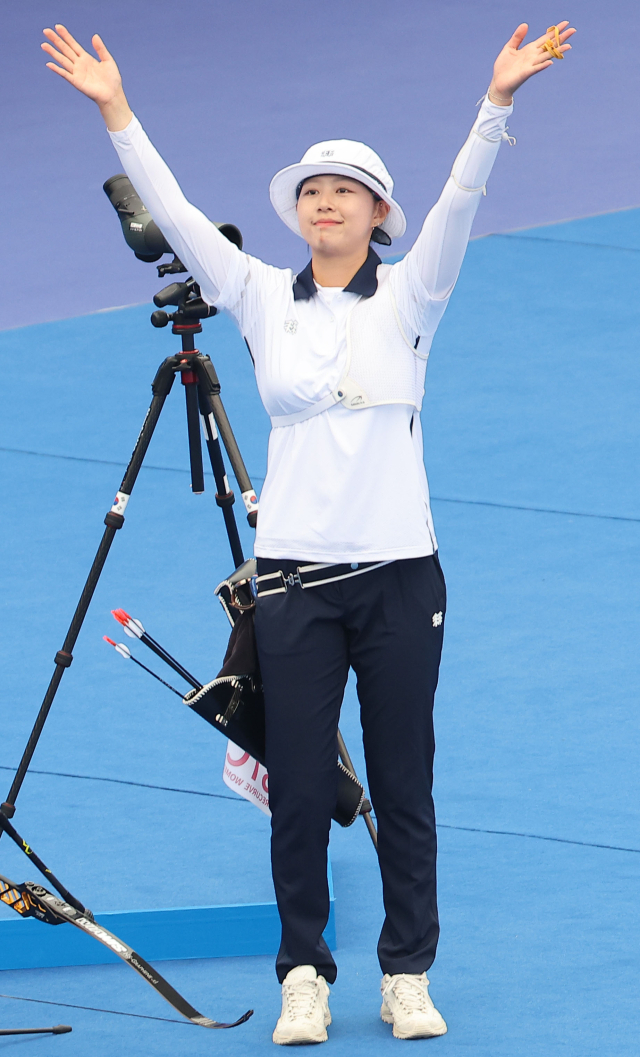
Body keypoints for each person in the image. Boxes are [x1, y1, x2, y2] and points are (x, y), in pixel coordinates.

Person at [42, 18, 575, 1044]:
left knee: (403, 783)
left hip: (400, 581)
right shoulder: (255, 299)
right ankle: (303, 973)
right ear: (296, 216)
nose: (323, 201)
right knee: (296, 791)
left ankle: (408, 973)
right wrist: (116, 111)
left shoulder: (415, 295)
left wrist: (495, 103)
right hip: (292, 585)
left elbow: (463, 197)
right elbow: (182, 213)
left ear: (378, 215)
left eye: (345, 191)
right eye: (310, 191)